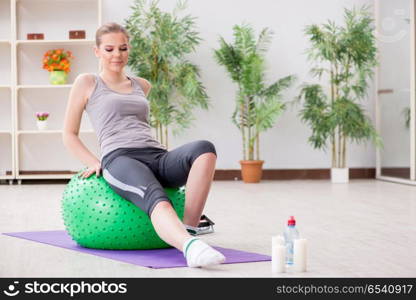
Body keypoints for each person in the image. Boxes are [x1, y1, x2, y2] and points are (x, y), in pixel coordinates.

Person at [62, 22, 225, 268]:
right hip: (120, 158)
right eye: (109, 49)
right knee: (156, 197)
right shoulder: (87, 83)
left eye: (122, 48)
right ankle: (191, 249)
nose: (117, 54)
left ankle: (189, 230)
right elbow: (69, 134)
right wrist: (95, 162)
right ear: (97, 51)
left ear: (129, 49)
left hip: (156, 154)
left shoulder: (142, 85)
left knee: (204, 149)